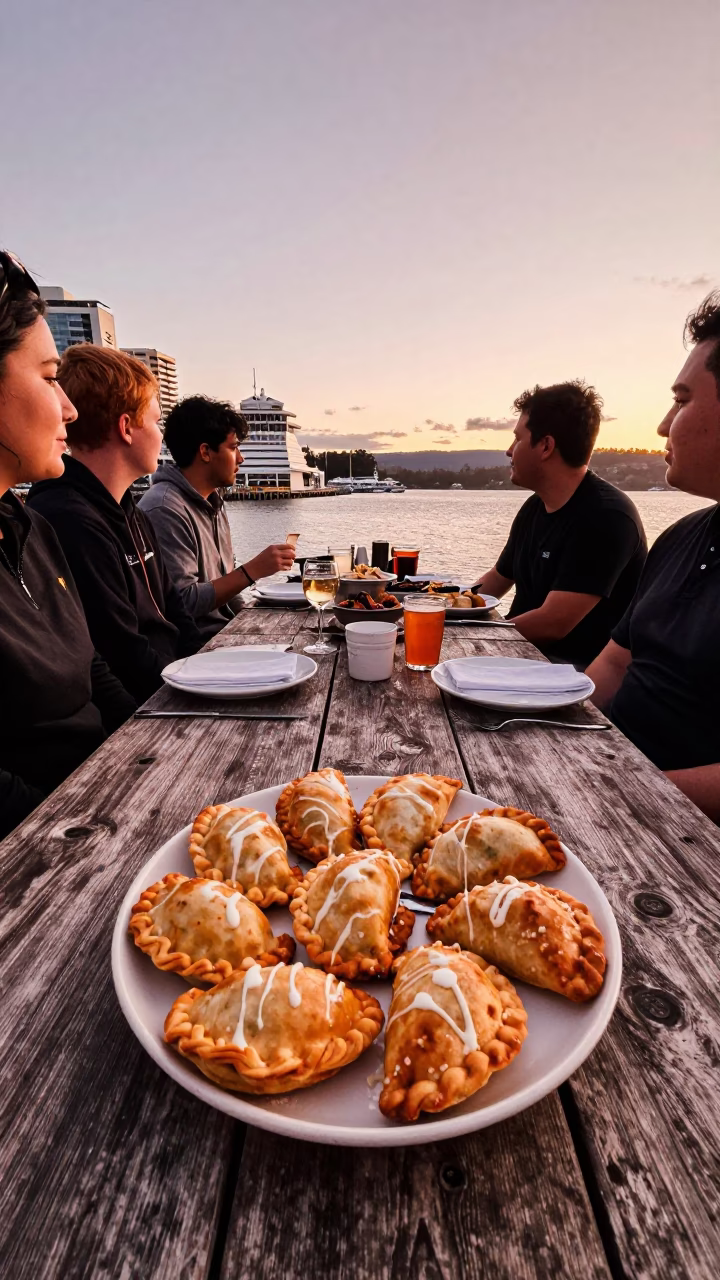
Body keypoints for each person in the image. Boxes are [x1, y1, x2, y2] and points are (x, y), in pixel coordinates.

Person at [0, 251, 135, 839]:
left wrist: (155, 744)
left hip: (105, 796)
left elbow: (91, 667)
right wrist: (88, 823)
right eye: (51, 378)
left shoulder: (33, 529)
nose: (70, 409)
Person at [587, 292, 720, 820]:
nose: (664, 425)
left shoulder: (608, 515)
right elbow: (617, 662)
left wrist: (625, 791)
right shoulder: (683, 535)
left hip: (679, 845)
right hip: (607, 777)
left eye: (683, 400)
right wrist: (551, 729)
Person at [27, 345, 203, 704]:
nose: (161, 435)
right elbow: (121, 650)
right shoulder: (69, 519)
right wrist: (187, 703)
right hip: (151, 706)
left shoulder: (130, 511)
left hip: (180, 685)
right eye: (156, 422)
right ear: (126, 428)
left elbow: (176, 612)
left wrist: (212, 673)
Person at [472, 380, 647, 667]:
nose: (509, 450)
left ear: (545, 446)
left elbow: (553, 623)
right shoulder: (535, 506)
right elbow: (496, 580)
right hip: (524, 655)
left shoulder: (607, 517)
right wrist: (444, 607)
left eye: (517, 439)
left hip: (572, 671)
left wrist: (472, 638)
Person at [138, 395, 296, 640]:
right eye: (233, 447)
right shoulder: (164, 509)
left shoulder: (214, 503)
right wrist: (252, 570)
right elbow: (183, 603)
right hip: (197, 649)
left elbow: (227, 590)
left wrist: (254, 625)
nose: (241, 458)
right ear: (205, 452)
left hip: (226, 635)